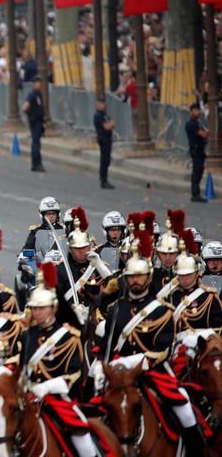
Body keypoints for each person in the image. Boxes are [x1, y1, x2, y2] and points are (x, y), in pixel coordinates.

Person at [100, 235, 206, 455]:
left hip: (153, 372)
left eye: (140, 276)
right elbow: (108, 348)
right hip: (119, 375)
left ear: (148, 278)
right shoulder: (116, 310)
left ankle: (196, 451)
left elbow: (163, 350)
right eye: (131, 277)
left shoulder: (162, 310)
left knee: (184, 407)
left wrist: (134, 361)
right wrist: (104, 369)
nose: (136, 281)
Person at [20, 270, 98, 456]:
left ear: (53, 308)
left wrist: (46, 387)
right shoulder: (27, 335)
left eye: (42, 308)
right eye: (34, 308)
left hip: (57, 400)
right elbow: (21, 368)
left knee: (84, 442)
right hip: (28, 399)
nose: (37, 313)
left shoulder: (69, 337)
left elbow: (73, 375)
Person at [186, 103, 208, 202]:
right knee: (196, 172)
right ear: (191, 112)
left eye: (198, 110)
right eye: (196, 110)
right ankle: (195, 194)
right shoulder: (191, 124)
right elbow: (203, 134)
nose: (198, 112)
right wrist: (207, 132)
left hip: (200, 150)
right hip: (196, 151)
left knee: (199, 171)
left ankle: (196, 193)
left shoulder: (197, 123)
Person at [23, 76, 45, 171]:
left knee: (37, 142)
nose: (38, 84)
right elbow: (25, 107)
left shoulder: (38, 94)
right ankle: (37, 163)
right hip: (35, 121)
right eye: (37, 82)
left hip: (39, 121)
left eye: (39, 82)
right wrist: (31, 115)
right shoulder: (32, 94)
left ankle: (35, 163)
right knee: (36, 142)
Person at [94, 98, 115, 189]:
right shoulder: (98, 115)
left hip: (108, 138)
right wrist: (110, 125)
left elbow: (112, 124)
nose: (103, 105)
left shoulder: (104, 115)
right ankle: (103, 181)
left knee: (107, 160)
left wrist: (111, 125)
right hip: (103, 138)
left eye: (103, 103)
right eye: (101, 103)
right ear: (97, 104)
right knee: (104, 160)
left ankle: (105, 179)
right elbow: (107, 126)